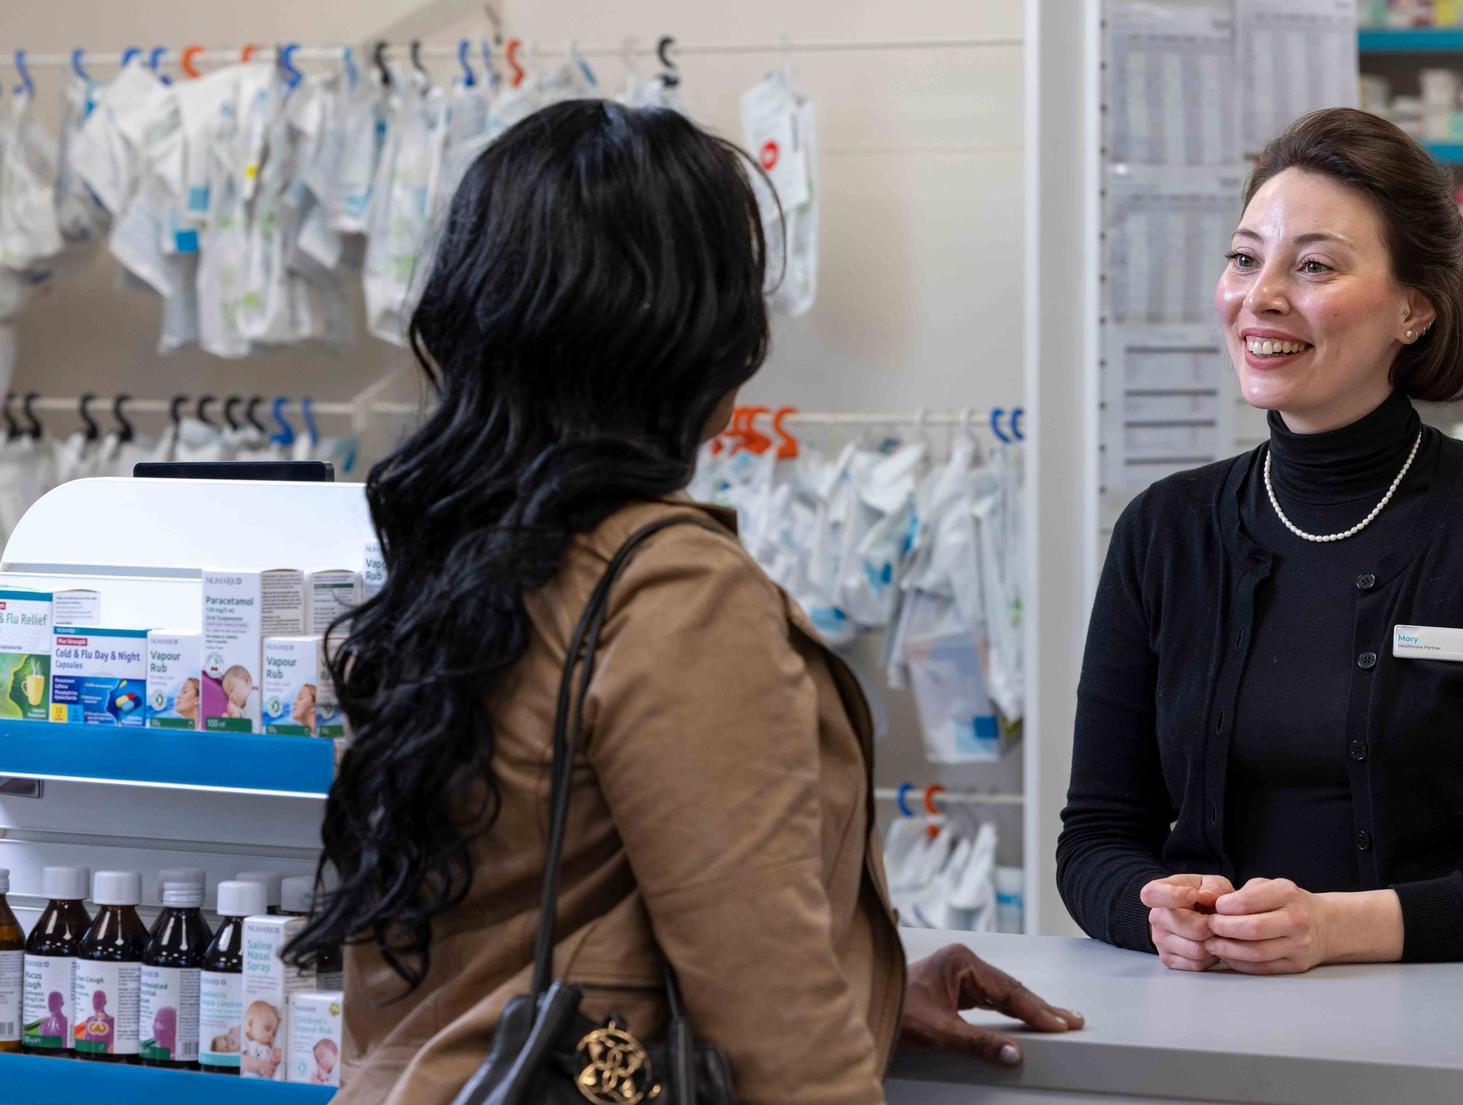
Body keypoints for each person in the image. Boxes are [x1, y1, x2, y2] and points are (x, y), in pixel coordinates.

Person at [286, 101, 1081, 1104]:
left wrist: (870, 986)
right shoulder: (669, 589)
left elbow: (527, 926)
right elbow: (772, 1019)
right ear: (698, 337)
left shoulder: (457, 565)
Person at [1057, 107, 1463, 975]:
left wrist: (1340, 929)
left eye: (1315, 265)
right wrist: (1156, 914)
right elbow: (1097, 837)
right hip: (1204, 1032)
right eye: (1245, 258)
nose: (1262, 296)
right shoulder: (1165, 531)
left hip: (1451, 1042)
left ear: (1415, 308)